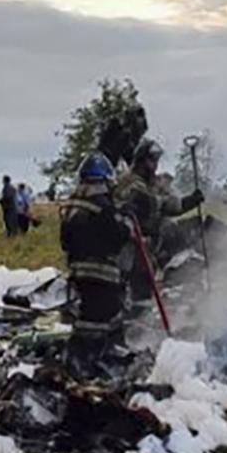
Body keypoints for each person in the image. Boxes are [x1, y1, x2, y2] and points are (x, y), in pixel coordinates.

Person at [61, 153, 132, 377]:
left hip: (78, 272)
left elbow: (65, 241)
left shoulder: (71, 204)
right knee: (100, 320)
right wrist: (126, 221)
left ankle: (84, 358)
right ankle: (90, 361)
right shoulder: (104, 206)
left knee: (88, 316)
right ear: (105, 180)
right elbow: (118, 237)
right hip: (102, 274)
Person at [115, 139, 202, 301]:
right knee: (132, 289)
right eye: (151, 160)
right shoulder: (129, 182)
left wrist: (189, 201)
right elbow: (151, 203)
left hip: (146, 248)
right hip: (128, 247)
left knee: (144, 289)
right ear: (142, 160)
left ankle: (138, 319)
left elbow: (169, 204)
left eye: (156, 161)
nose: (154, 165)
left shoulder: (151, 184)